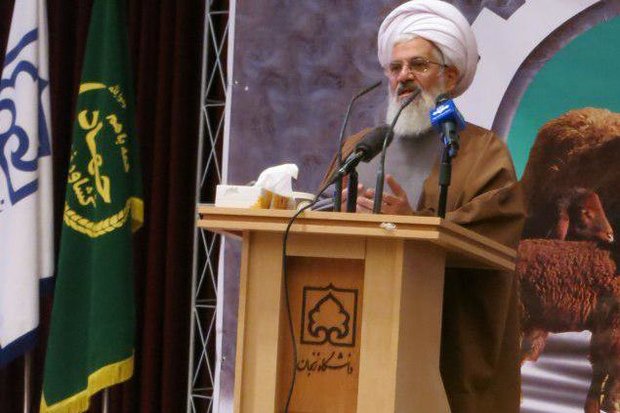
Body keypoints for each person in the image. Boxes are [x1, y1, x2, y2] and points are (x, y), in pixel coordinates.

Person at [320, 1, 526, 412]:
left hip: (441, 345)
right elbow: (320, 210)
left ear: (449, 76)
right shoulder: (362, 147)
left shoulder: (483, 153)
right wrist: (333, 210)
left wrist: (414, 224)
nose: (404, 77)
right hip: (356, 337)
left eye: (418, 65)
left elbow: (495, 235)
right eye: (395, 67)